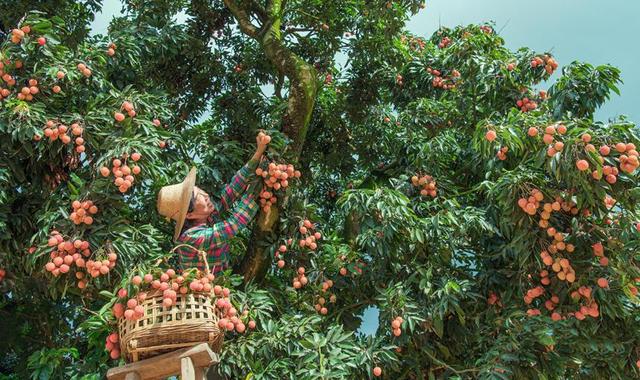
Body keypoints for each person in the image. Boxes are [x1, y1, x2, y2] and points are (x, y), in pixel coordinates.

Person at [156, 131, 270, 274]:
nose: (206, 195)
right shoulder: (190, 238)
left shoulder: (207, 217)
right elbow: (232, 225)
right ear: (189, 215)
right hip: (207, 293)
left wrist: (259, 153)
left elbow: (231, 191)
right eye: (199, 197)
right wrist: (256, 189)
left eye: (202, 191)